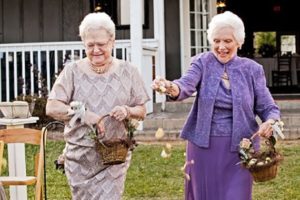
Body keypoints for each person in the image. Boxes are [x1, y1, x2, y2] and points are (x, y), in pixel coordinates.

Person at [152, 11, 281, 200]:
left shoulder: (253, 70)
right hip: (203, 148)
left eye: (227, 41)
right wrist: (169, 87)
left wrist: (270, 122)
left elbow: (269, 107)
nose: (221, 47)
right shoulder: (201, 63)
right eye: (216, 41)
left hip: (241, 150)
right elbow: (184, 86)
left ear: (239, 41)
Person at [46, 12, 150, 199]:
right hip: (80, 159)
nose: (96, 50)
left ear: (112, 41)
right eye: (90, 45)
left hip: (114, 158)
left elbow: (142, 111)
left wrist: (127, 110)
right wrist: (83, 114)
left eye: (101, 44)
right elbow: (52, 107)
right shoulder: (72, 71)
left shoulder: (129, 71)